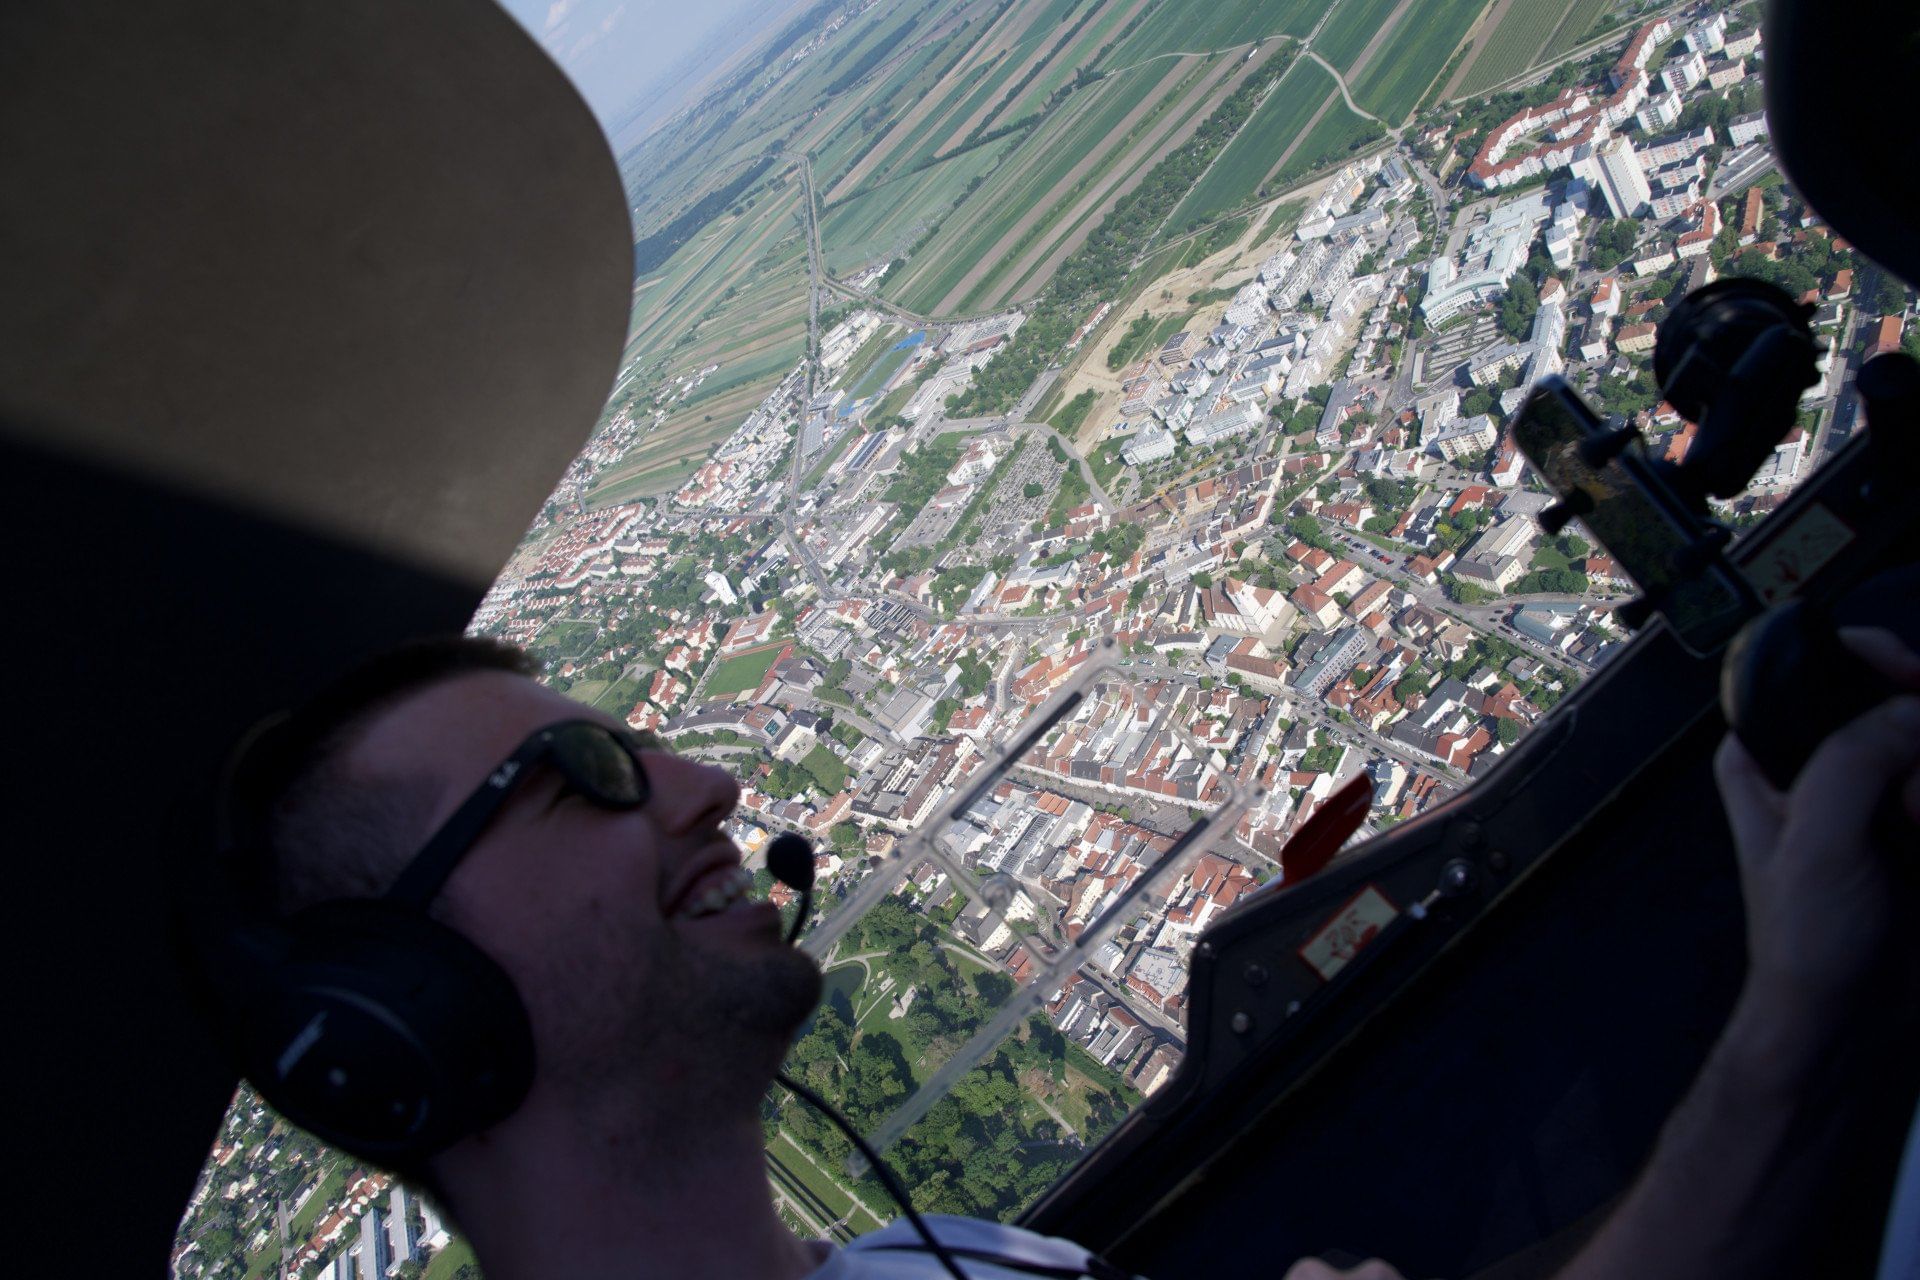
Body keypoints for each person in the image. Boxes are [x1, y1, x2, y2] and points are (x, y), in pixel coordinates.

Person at [215, 629, 1920, 1280]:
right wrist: (1814, 1015)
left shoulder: (917, 1259)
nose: (709, 785)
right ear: (404, 1005)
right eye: (582, 775)